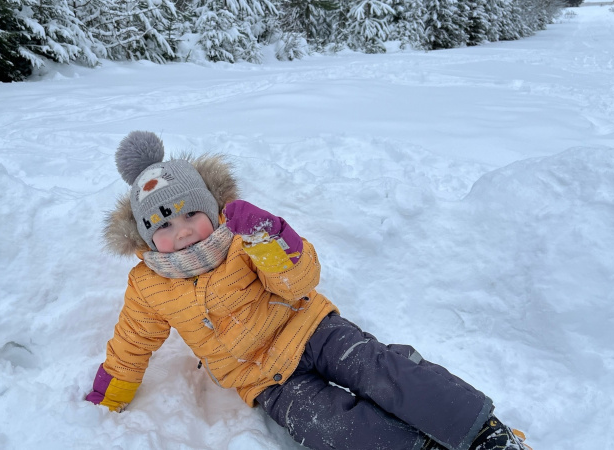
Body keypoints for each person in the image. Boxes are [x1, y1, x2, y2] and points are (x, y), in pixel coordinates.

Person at [86, 131, 530, 450]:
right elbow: (133, 340)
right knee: (332, 426)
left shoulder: (243, 238)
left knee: (385, 372)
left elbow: (298, 281)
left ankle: (484, 433)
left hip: (313, 329)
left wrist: (270, 237)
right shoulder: (148, 285)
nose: (181, 232)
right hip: (262, 379)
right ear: (145, 237)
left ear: (211, 209)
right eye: (163, 225)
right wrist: (112, 391)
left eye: (189, 216)